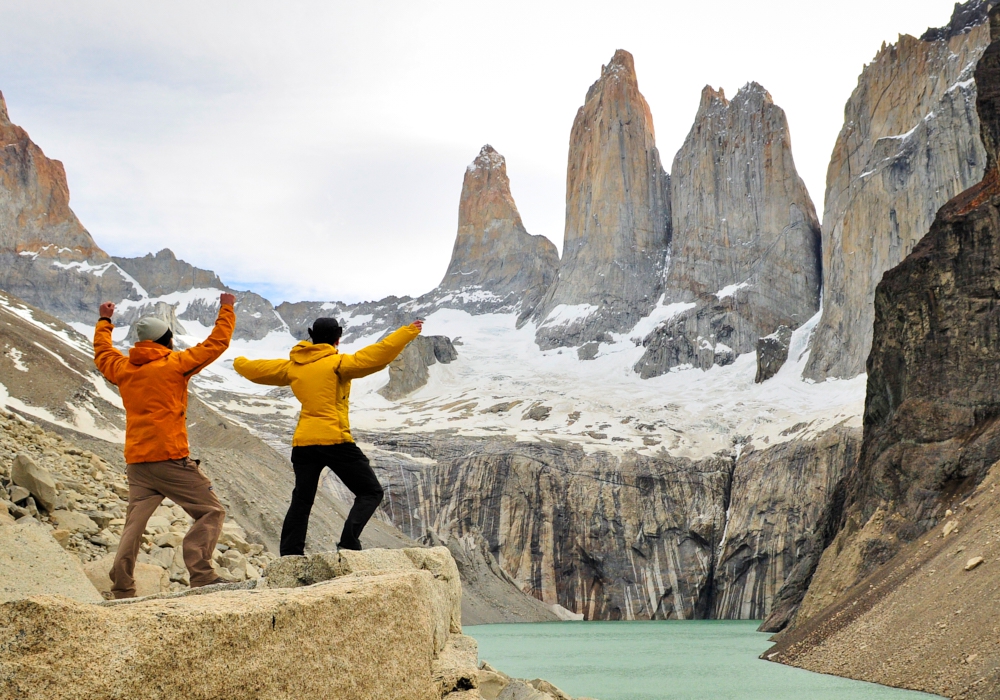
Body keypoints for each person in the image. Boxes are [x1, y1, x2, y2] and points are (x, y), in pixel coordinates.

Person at [233, 317, 422, 555]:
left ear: (312, 336)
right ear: (338, 338)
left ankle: (291, 554)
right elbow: (378, 354)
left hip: (303, 444)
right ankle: (348, 543)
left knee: (302, 500)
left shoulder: (293, 366)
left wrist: (238, 361)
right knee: (370, 492)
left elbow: (256, 370)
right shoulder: (339, 363)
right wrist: (407, 332)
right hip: (335, 440)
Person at [93, 293, 236, 598]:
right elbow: (216, 344)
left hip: (137, 462)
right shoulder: (175, 364)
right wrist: (227, 309)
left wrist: (104, 322)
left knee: (134, 524)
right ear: (168, 339)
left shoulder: (123, 368)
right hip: (170, 459)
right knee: (211, 510)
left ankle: (122, 586)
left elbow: (102, 354)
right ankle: (201, 574)